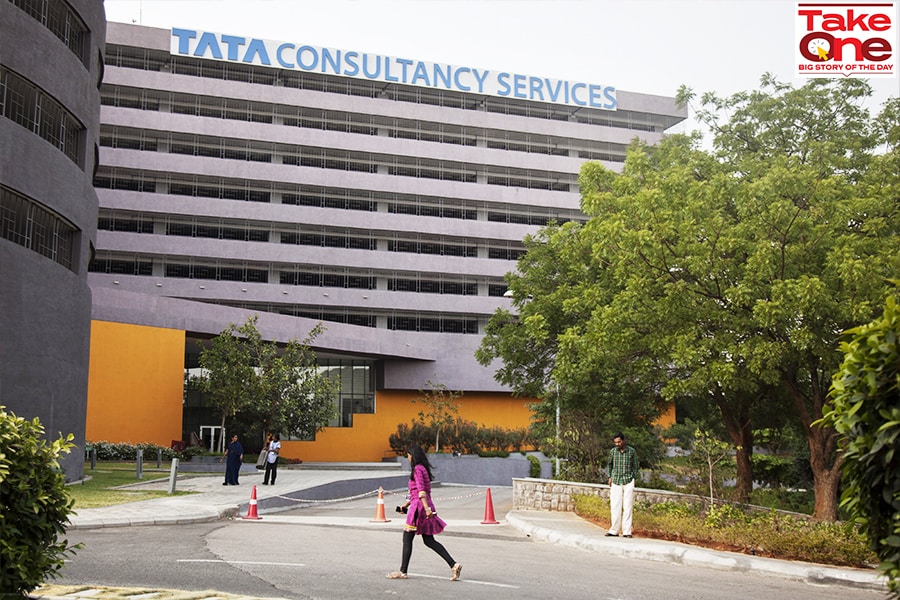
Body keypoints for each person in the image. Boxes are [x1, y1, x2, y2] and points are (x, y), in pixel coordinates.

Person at [386, 445, 462, 581]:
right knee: (429, 540)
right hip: (422, 505)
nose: (407, 457)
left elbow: (421, 491)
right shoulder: (423, 469)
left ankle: (403, 571)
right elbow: (415, 492)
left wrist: (426, 508)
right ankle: (453, 564)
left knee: (407, 538)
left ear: (412, 455)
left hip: (419, 508)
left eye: (408, 455)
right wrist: (405, 505)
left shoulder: (417, 469)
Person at [606, 431, 638, 538]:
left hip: (628, 480)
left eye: (619, 442)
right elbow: (609, 464)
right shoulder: (613, 452)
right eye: (615, 442)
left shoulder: (631, 451)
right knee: (615, 505)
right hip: (616, 480)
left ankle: (627, 531)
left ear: (623, 441)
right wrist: (610, 476)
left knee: (627, 506)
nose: (617, 444)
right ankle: (614, 530)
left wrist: (633, 477)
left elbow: (635, 466)